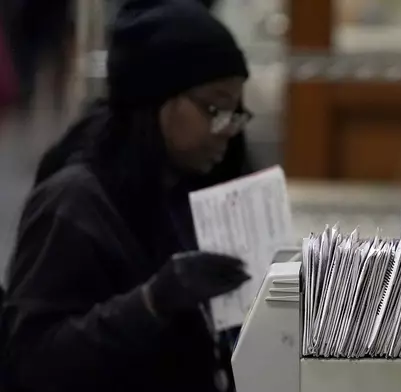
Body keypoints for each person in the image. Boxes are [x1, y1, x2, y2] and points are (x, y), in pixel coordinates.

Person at [0, 0, 255, 391]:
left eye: (236, 112)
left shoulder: (191, 183)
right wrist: (152, 302)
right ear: (157, 100)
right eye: (214, 108)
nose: (228, 129)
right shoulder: (73, 204)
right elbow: (31, 362)